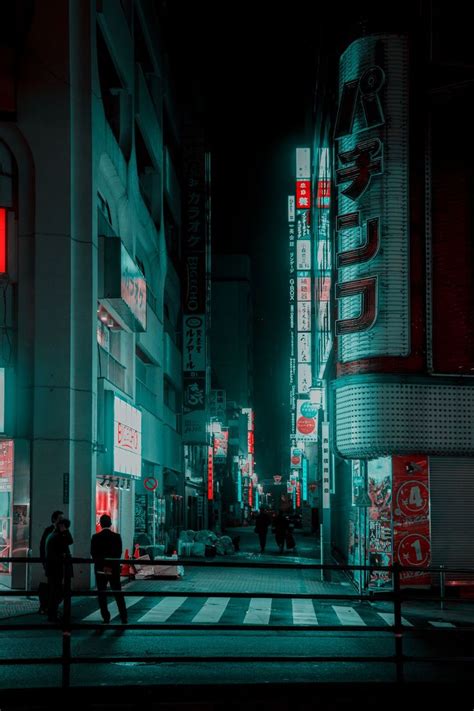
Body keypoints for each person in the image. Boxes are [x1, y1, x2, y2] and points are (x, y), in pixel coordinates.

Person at [90, 514, 128, 624]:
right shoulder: (117, 537)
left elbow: (93, 553)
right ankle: (123, 616)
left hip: (100, 568)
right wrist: (110, 565)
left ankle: (106, 616)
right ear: (110, 524)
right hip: (113, 568)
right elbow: (118, 553)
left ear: (100, 524)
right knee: (117, 592)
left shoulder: (95, 537)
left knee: (102, 593)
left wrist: (103, 564)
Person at [44, 515, 73, 622]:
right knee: (56, 592)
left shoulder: (52, 535)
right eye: (66, 527)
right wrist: (64, 531)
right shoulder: (58, 536)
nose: (67, 530)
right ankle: (52, 614)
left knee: (55, 591)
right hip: (56, 568)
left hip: (52, 568)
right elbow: (70, 541)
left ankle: (52, 613)